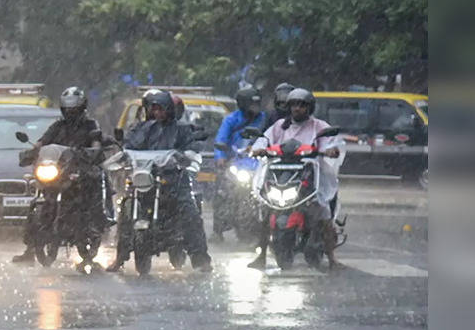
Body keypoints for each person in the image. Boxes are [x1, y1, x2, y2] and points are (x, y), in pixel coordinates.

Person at [107, 88, 212, 273]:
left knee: (190, 211)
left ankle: (201, 259)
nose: (156, 113)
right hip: (145, 180)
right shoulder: (139, 129)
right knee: (126, 209)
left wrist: (186, 155)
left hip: (173, 181)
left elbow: (192, 145)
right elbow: (129, 146)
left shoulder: (182, 129)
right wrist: (123, 155)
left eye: (160, 109)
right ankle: (119, 258)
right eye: (153, 109)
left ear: (169, 109)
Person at [247, 88, 345, 269]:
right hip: (281, 175)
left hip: (309, 176)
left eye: (301, 105)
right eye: (293, 105)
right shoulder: (279, 126)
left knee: (323, 212)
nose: (297, 109)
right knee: (265, 209)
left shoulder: (319, 127)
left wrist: (330, 151)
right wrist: (258, 148)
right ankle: (261, 255)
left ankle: (332, 258)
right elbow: (264, 140)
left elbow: (331, 143)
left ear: (309, 108)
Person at [13, 86, 104, 265]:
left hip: (79, 170)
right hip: (58, 172)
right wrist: (31, 152)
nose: (71, 112)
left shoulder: (91, 125)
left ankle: (92, 229)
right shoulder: (58, 126)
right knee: (37, 201)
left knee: (90, 190)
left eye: (74, 108)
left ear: (82, 108)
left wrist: (91, 152)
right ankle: (30, 248)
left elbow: (96, 145)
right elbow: (42, 142)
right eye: (68, 109)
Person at [212, 87, 269, 241]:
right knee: (222, 192)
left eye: (258, 104)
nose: (256, 107)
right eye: (252, 104)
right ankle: (218, 229)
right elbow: (220, 140)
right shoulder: (231, 120)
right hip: (236, 162)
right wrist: (220, 157)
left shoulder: (265, 119)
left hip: (259, 164)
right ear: (243, 104)